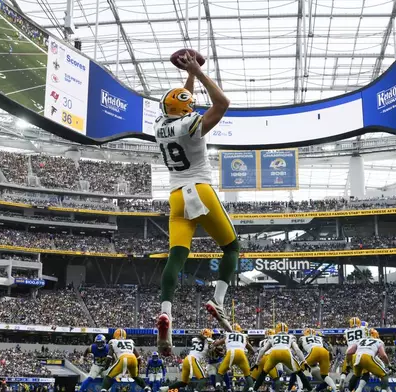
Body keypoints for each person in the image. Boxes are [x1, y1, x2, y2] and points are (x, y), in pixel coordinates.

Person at [153, 51, 239, 355]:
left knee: (175, 257)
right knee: (231, 247)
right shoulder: (191, 124)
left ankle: (166, 311)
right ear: (186, 108)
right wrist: (198, 73)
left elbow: (179, 101)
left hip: (176, 197)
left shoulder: (159, 125)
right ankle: (218, 299)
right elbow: (222, 103)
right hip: (200, 189)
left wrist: (187, 78)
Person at [252, 322, 312, 392]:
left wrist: (257, 362)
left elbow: (262, 350)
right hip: (286, 352)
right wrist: (304, 361)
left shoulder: (272, 336)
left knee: (263, 373)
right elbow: (297, 350)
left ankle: (254, 390)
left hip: (274, 353)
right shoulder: (290, 336)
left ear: (276, 330)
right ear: (287, 330)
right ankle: (310, 389)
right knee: (299, 372)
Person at [213, 324, 255, 392]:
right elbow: (252, 350)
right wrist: (247, 357)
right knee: (247, 375)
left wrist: (214, 344)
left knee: (220, 372)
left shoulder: (228, 335)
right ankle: (251, 389)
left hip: (231, 353)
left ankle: (218, 386)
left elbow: (217, 343)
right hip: (241, 354)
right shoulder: (244, 336)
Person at [341, 318, 369, 390]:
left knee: (345, 370)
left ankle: (342, 380)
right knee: (363, 374)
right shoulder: (364, 328)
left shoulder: (346, 331)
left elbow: (345, 337)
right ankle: (358, 389)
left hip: (349, 353)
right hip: (360, 352)